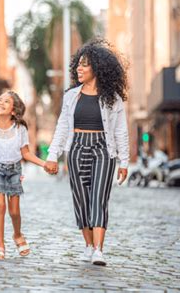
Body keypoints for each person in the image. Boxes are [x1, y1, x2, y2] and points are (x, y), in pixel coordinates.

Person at [44, 39, 129, 266]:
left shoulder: (114, 99)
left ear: (98, 68)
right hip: (77, 147)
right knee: (81, 199)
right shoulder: (71, 96)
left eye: (85, 65)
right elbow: (62, 126)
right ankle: (89, 246)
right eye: (78, 65)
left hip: (103, 148)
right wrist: (52, 156)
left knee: (99, 197)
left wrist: (124, 161)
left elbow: (121, 131)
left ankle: (99, 250)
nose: (79, 69)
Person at [0, 91, 45, 260]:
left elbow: (26, 154)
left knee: (15, 211)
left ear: (14, 110)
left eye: (6, 101)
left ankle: (17, 235)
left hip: (14, 170)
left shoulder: (20, 129)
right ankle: (0, 245)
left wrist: (44, 164)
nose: (1, 103)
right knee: (0, 205)